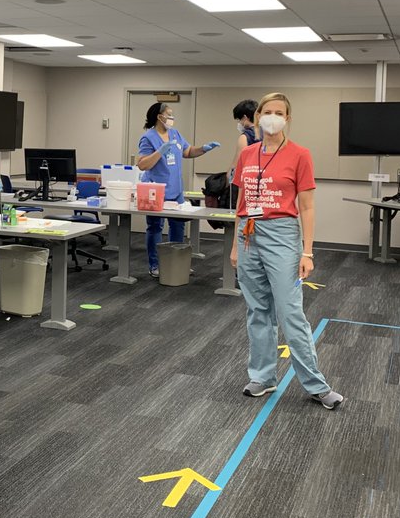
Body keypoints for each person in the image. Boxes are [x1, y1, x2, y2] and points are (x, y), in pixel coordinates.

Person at [231, 93, 343, 410]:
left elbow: (307, 207)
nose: (273, 116)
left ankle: (316, 386)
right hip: (248, 234)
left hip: (282, 234)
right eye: (267, 111)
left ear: (288, 118)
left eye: (279, 112)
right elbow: (241, 203)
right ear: (257, 117)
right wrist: (235, 247)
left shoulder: (299, 155)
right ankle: (263, 377)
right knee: (257, 311)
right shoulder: (247, 154)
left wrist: (307, 252)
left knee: (290, 313)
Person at [136, 101, 220, 277]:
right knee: (155, 228)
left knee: (178, 226)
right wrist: (160, 151)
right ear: (160, 117)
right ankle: (155, 265)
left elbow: (188, 152)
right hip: (156, 190)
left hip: (176, 190)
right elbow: (143, 164)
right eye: (169, 114)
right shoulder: (148, 137)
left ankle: (176, 262)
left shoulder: (175, 134)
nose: (172, 118)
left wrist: (204, 148)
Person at [229, 98, 259, 212]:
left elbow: (237, 165)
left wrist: (228, 178)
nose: (239, 123)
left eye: (239, 119)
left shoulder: (245, 137)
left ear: (245, 117)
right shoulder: (269, 135)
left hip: (248, 184)